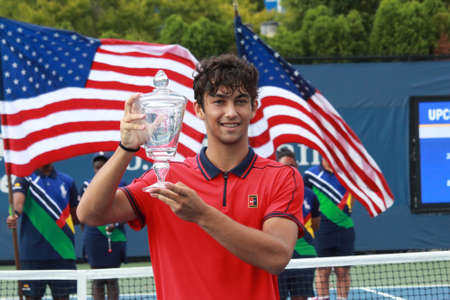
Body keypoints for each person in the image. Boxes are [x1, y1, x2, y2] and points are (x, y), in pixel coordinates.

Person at [77, 54, 304, 300]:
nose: (230, 112)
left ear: (253, 107)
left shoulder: (282, 177)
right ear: (198, 109)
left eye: (240, 101)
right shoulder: (166, 178)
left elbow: (277, 257)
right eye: (219, 101)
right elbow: (89, 214)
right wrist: (126, 149)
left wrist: (202, 214)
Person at [6, 163, 79, 300]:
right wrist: (14, 214)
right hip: (32, 255)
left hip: (63, 253)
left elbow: (77, 215)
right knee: (32, 297)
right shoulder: (24, 178)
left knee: (63, 297)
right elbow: (18, 203)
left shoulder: (67, 181)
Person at [303, 158, 355, 300]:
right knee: (322, 270)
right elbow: (304, 197)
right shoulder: (310, 175)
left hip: (345, 228)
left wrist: (344, 213)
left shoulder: (347, 174)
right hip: (321, 230)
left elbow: (354, 197)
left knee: (342, 270)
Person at [80, 152, 128, 300]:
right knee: (98, 280)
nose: (99, 169)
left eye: (103, 166)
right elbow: (83, 215)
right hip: (94, 238)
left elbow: (128, 211)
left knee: (113, 279)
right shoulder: (87, 185)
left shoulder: (122, 184)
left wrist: (116, 223)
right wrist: (88, 235)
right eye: (97, 167)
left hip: (116, 237)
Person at [276, 147, 321, 300]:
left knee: (301, 297)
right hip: (279, 256)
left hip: (304, 255)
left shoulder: (309, 194)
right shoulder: (269, 193)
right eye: (285, 166)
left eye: (293, 166)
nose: (290, 170)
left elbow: (315, 223)